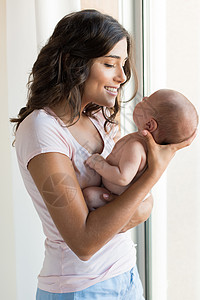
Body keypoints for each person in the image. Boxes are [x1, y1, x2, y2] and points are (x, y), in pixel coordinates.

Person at [10, 9, 196, 300]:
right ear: (75, 63)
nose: (122, 77)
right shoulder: (41, 130)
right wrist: (153, 175)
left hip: (125, 275)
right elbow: (84, 243)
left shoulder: (98, 117)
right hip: (80, 288)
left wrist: (116, 216)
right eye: (110, 64)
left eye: (123, 64)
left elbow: (140, 206)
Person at [84, 89, 198, 210]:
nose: (143, 98)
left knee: (89, 196)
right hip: (113, 191)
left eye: (147, 101)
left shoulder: (136, 147)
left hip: (115, 198)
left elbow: (123, 177)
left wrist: (99, 164)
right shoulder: (140, 144)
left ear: (149, 125)